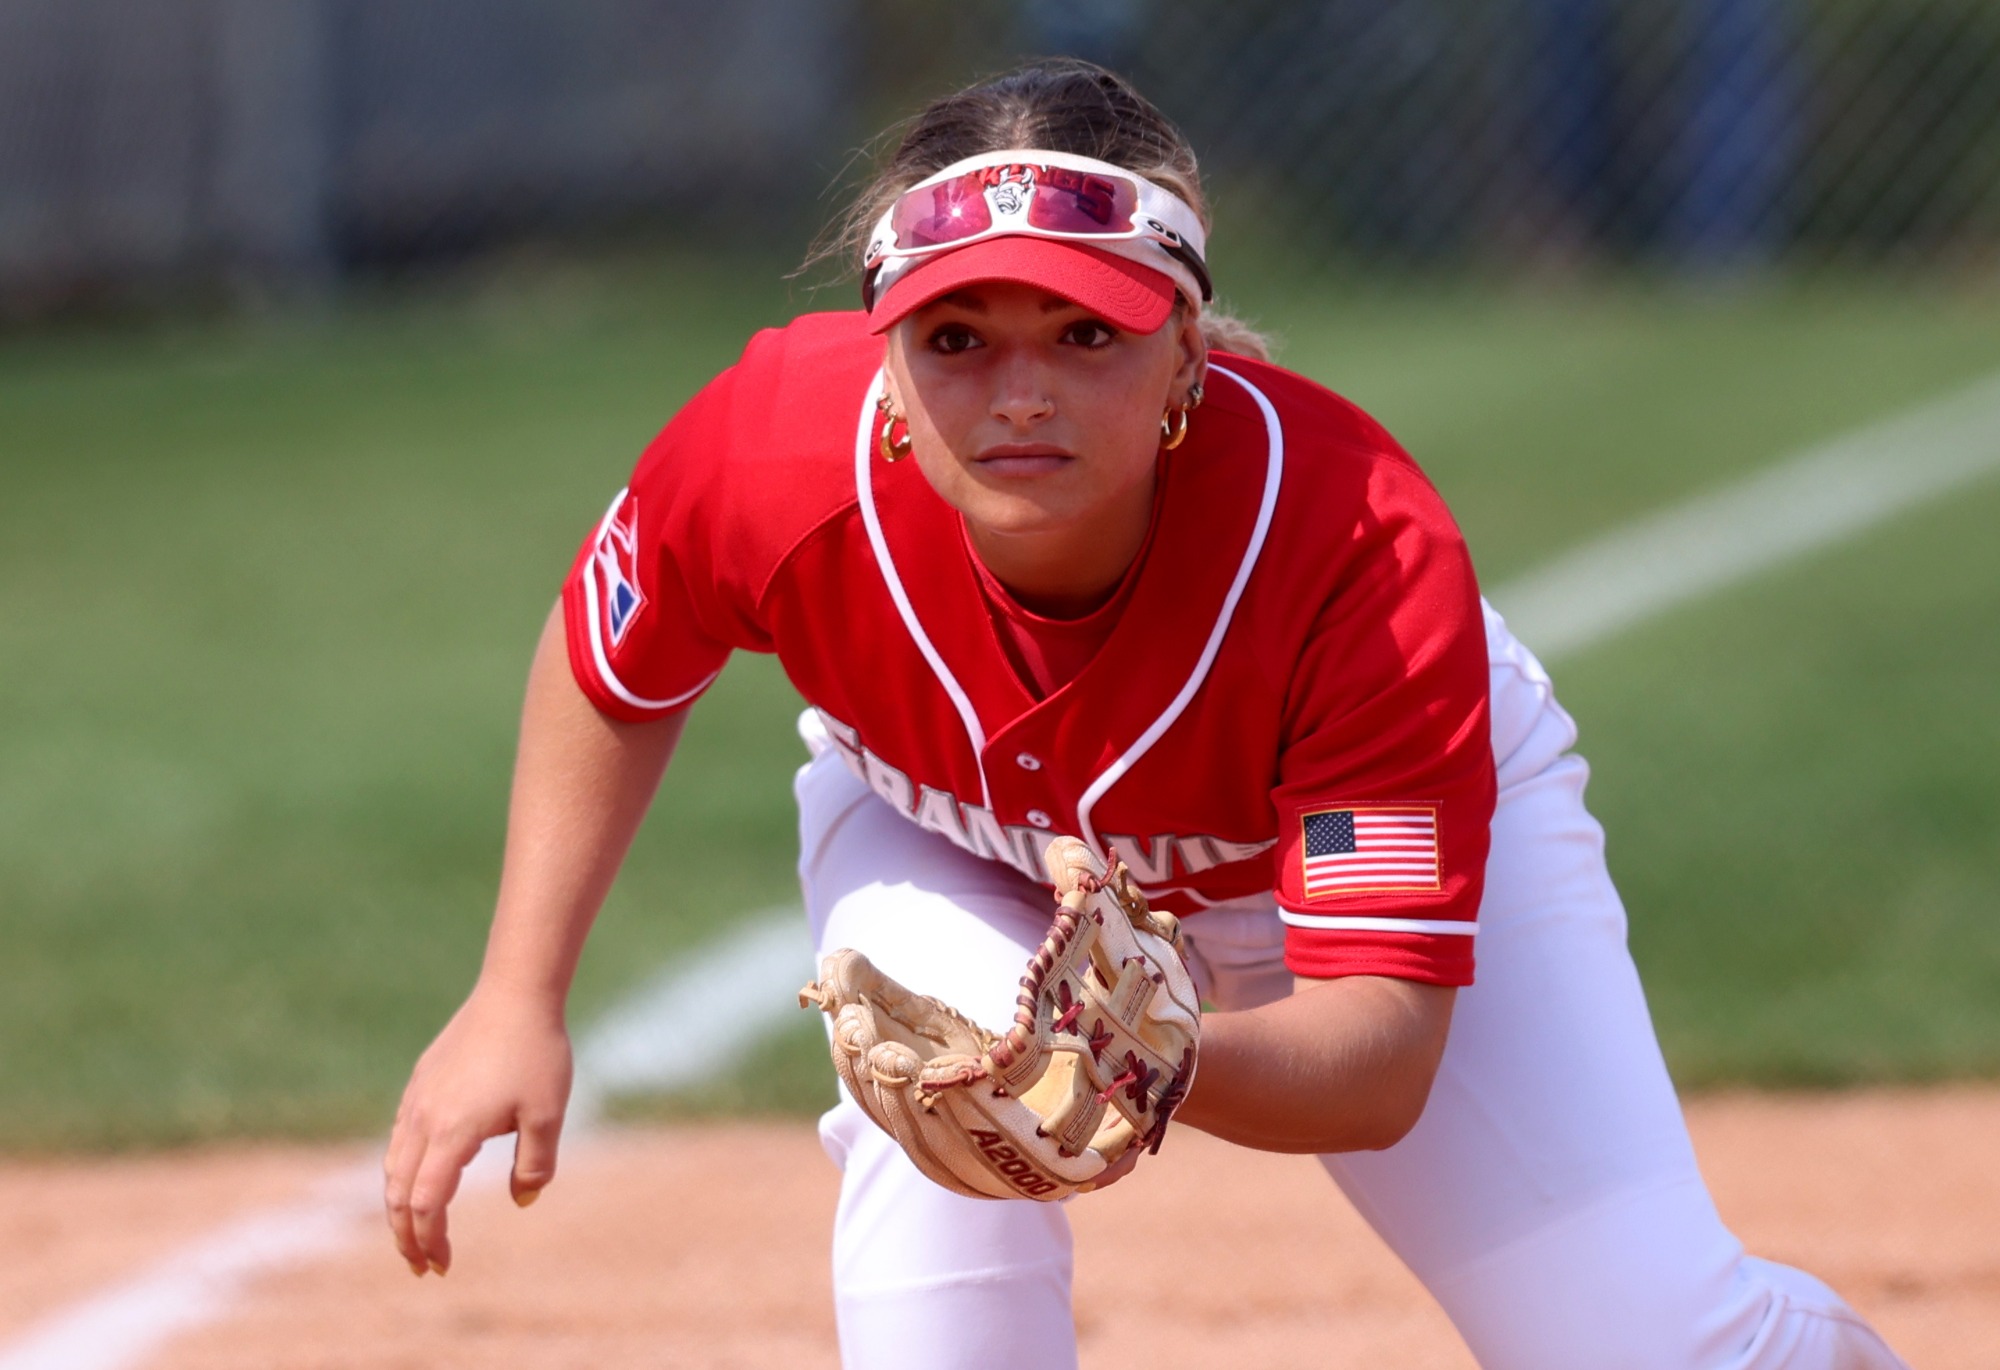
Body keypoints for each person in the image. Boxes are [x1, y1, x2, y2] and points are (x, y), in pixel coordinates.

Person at [383, 58, 1908, 1369]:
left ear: (1187, 344)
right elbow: (613, 658)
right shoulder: (778, 455)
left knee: (1643, 1343)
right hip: (950, 842)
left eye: (1085, 333)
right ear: (888, 358)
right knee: (948, 1108)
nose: (1017, 393)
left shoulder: (1353, 553)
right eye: (957, 335)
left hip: (1327, 897)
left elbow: (1377, 1063)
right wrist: (517, 993)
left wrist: (1145, 1050)